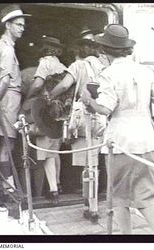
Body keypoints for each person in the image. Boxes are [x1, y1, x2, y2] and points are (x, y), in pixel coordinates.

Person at [80, 24, 154, 234]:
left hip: (121, 142)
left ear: (104, 50)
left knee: (120, 197)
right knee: (146, 197)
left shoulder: (108, 74)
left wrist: (88, 100)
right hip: (147, 139)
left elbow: (104, 108)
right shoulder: (146, 71)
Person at [48, 27, 109, 222]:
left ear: (80, 49)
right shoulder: (103, 66)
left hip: (83, 120)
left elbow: (65, 85)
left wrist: (50, 96)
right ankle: (93, 201)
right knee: (97, 163)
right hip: (101, 118)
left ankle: (91, 206)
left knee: (87, 165)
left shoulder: (78, 65)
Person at [22, 36, 67, 203]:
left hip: (45, 111)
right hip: (59, 112)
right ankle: (57, 186)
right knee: (54, 152)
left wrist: (28, 96)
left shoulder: (45, 63)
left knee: (44, 154)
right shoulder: (62, 66)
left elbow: (37, 84)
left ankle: (47, 191)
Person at [0, 4, 31, 198]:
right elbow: (6, 80)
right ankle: (8, 189)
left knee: (6, 144)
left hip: (7, 98)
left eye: (23, 25)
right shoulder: (6, 50)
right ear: (7, 25)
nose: (22, 28)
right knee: (8, 145)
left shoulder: (2, 46)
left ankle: (6, 186)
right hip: (9, 98)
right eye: (18, 24)